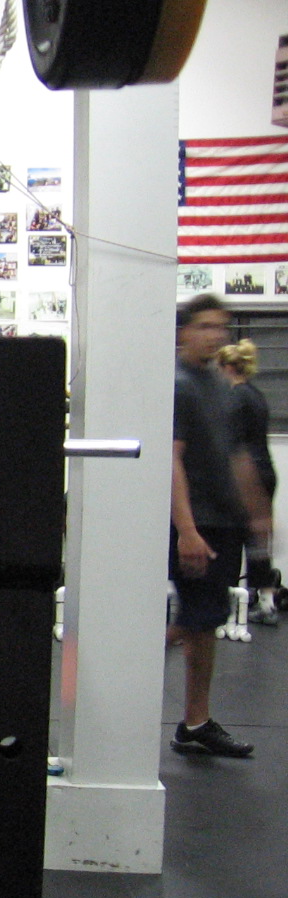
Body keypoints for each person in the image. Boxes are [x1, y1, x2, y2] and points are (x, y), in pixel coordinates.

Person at [170, 295, 270, 759]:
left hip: (224, 522)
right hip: (199, 524)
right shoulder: (179, 386)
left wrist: (257, 510)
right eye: (205, 326)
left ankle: (195, 722)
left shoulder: (218, 384)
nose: (215, 335)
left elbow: (236, 453)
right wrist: (187, 530)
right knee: (197, 621)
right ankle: (191, 720)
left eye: (220, 327)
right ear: (184, 332)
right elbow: (173, 459)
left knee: (203, 622)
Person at [216, 338, 279, 624]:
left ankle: (229, 609)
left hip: (246, 476)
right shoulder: (256, 395)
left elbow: (232, 445)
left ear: (228, 367)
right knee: (257, 542)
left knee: (231, 541)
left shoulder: (235, 398)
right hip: (265, 473)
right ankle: (267, 604)